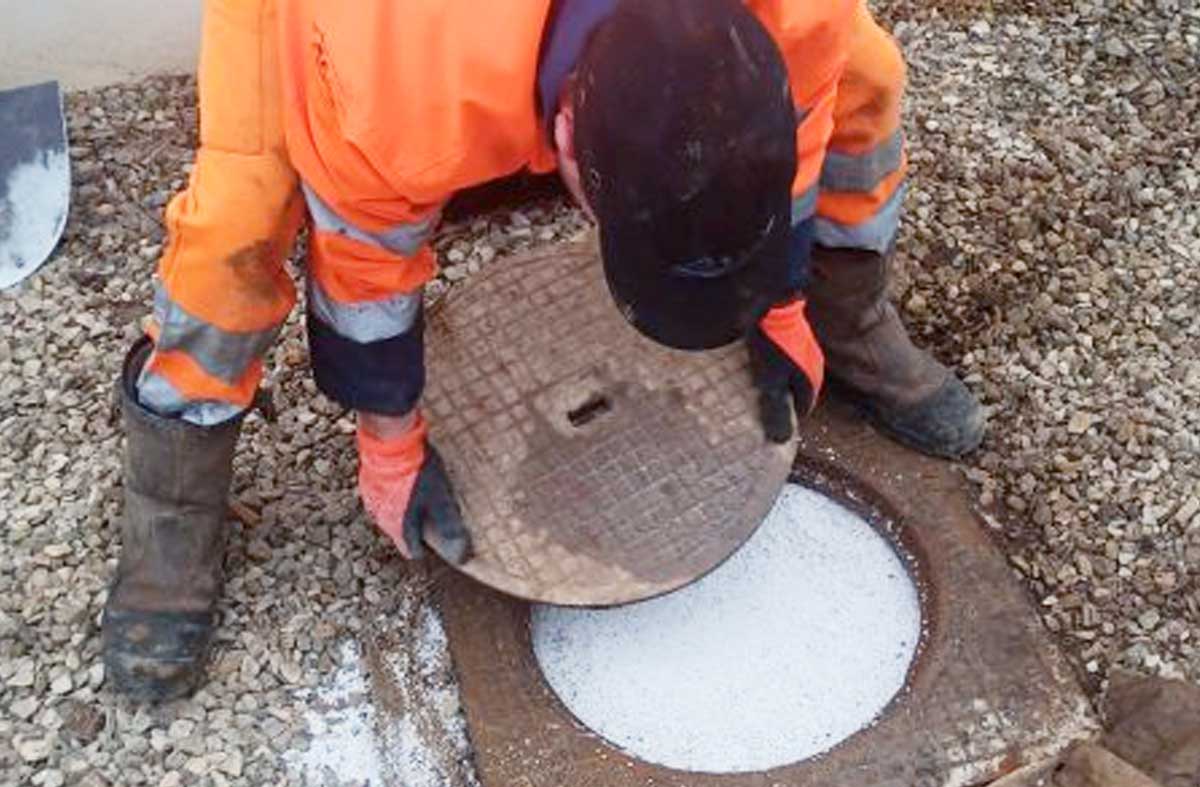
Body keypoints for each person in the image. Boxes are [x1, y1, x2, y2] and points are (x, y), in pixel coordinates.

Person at [103, 0, 984, 701]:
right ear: (560, 145)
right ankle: (172, 514)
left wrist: (789, 301)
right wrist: (389, 440)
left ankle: (853, 320)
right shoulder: (400, 88)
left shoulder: (798, 13)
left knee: (872, 75)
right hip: (361, 24)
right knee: (234, 227)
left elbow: (808, 112)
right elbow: (363, 257)